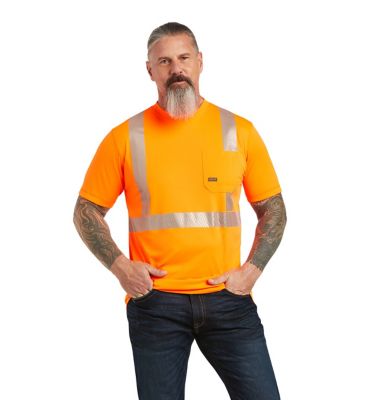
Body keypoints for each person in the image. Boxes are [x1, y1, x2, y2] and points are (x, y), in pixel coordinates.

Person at [73, 22, 287, 400]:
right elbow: (86, 210)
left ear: (200, 62)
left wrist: (252, 271)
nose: (176, 69)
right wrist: (122, 268)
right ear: (150, 70)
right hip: (156, 304)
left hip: (228, 299)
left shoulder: (239, 131)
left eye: (184, 58)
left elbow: (273, 209)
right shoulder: (126, 137)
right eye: (164, 61)